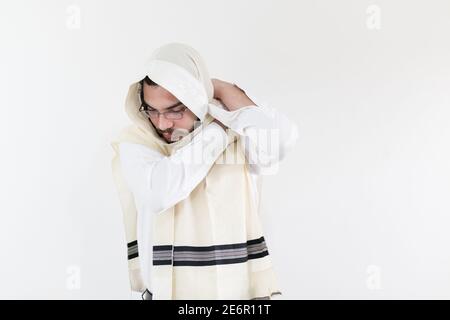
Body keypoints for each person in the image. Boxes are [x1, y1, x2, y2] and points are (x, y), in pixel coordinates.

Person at [111, 43, 298, 300]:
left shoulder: (240, 132)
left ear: (197, 99)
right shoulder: (137, 140)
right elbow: (159, 193)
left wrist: (222, 89)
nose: (162, 123)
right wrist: (218, 132)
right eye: (151, 110)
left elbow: (279, 144)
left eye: (175, 110)